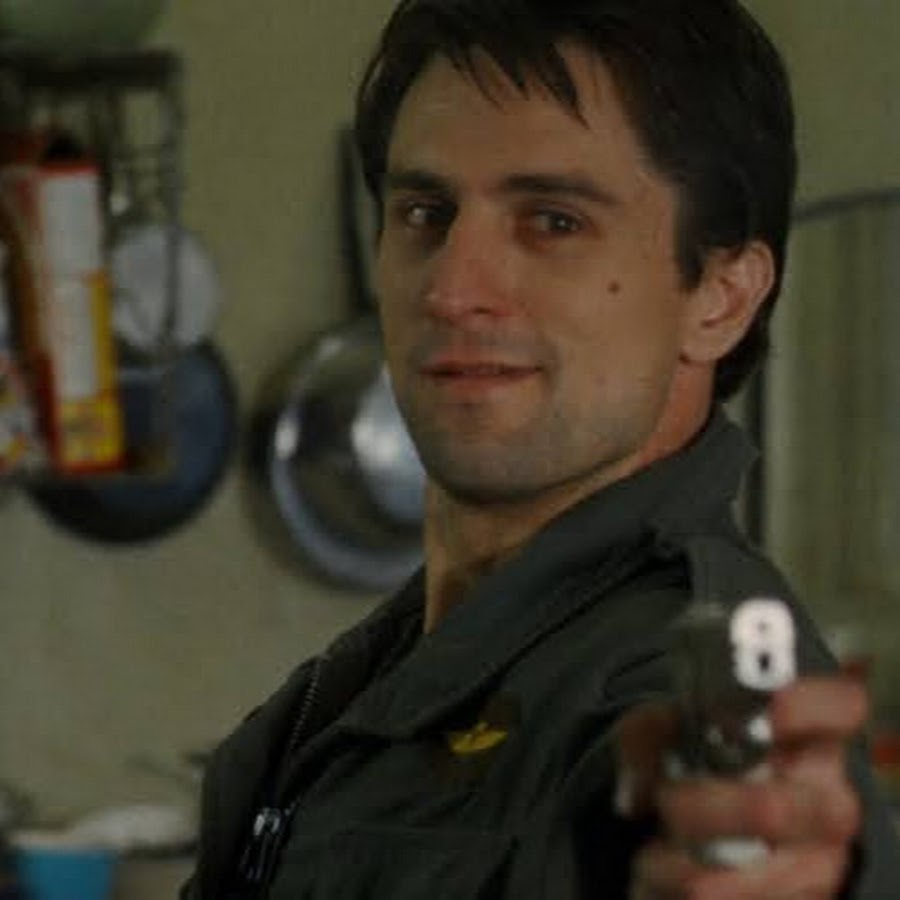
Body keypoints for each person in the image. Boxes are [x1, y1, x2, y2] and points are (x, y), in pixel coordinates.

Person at [184, 0, 900, 897]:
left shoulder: (681, 683)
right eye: (425, 212)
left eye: (554, 221)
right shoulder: (380, 675)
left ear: (720, 298)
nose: (452, 288)